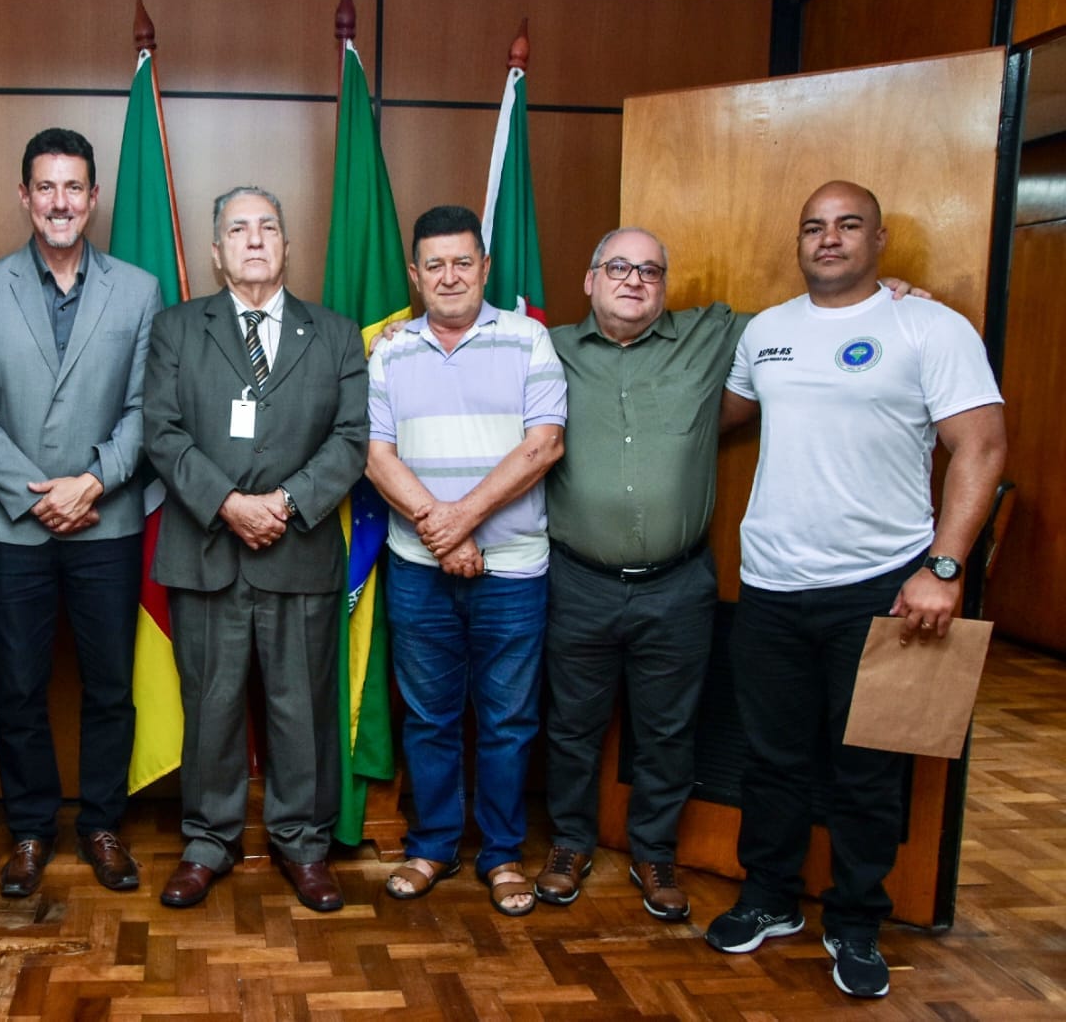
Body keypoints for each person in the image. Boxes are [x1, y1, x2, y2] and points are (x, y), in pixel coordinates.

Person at [535, 228, 927, 922]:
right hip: (578, 579)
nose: (634, 280)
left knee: (669, 728)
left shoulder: (716, 334)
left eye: (651, 270)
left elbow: (814, 320)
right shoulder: (545, 349)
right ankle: (569, 842)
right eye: (618, 267)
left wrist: (886, 298)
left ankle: (654, 851)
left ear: (665, 284)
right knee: (571, 724)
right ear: (590, 279)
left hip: (677, 584)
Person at [708, 181, 1005, 999]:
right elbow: (710, 414)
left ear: (879, 240)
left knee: (867, 768)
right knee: (770, 759)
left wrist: (944, 566)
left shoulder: (929, 326)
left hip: (885, 586)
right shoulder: (766, 332)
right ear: (798, 242)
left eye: (847, 225)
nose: (828, 238)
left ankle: (857, 919)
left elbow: (980, 447)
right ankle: (769, 897)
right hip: (770, 581)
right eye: (813, 226)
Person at [143, 186, 367, 912]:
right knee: (210, 706)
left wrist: (289, 501)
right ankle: (209, 841)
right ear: (216, 251)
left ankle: (303, 842)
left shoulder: (333, 333)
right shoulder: (177, 329)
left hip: (298, 553)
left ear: (288, 244)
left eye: (268, 226)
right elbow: (163, 432)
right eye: (237, 229)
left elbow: (353, 438)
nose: (254, 239)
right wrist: (229, 504)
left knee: (300, 706)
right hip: (206, 550)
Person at [0, 128, 161, 898]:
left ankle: (102, 823)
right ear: (24, 196)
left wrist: (92, 484)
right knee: (17, 687)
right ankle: (32, 829)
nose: (60, 202)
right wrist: (40, 493)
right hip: (10, 524)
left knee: (110, 685)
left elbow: (147, 409)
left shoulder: (137, 290)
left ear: (94, 197)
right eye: (46, 187)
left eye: (74, 187)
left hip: (106, 520)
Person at [366, 205, 567, 917]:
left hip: (513, 568)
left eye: (463, 262)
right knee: (429, 716)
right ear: (415, 276)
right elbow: (374, 453)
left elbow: (543, 445)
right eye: (434, 265)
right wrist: (441, 533)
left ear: (484, 268)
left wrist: (461, 521)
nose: (448, 276)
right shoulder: (388, 351)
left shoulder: (530, 340)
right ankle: (433, 844)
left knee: (509, 719)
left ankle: (504, 854)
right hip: (418, 567)